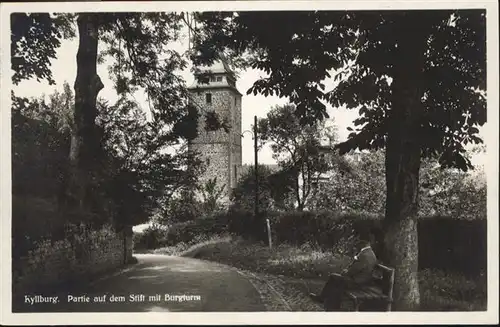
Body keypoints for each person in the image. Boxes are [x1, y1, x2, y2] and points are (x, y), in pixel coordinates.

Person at [310, 239, 378, 310]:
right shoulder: (369, 253)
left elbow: (355, 270)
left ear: (362, 244)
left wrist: (346, 272)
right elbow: (357, 268)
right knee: (336, 281)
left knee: (334, 278)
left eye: (358, 245)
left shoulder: (364, 255)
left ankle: (327, 302)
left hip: (357, 282)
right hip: (361, 280)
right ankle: (329, 303)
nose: (357, 247)